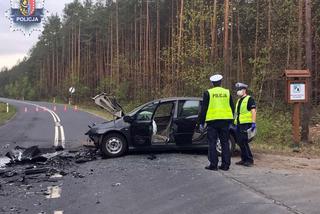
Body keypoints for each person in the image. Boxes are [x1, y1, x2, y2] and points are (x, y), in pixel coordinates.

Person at [199, 74, 234, 171]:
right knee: (225, 143)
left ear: (212, 83)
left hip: (213, 122)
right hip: (225, 122)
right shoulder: (227, 92)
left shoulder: (208, 93)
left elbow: (204, 109)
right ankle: (225, 165)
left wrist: (201, 122)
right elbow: (232, 107)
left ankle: (213, 165)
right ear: (221, 82)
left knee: (212, 143)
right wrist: (232, 120)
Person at [234, 82, 257, 167]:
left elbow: (253, 111)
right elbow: (237, 113)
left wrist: (253, 123)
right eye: (237, 90)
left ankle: (249, 160)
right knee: (240, 142)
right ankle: (243, 159)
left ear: (244, 90)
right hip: (239, 124)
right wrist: (235, 123)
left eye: (239, 89)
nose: (238, 91)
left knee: (244, 142)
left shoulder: (249, 99)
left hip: (246, 124)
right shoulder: (239, 100)